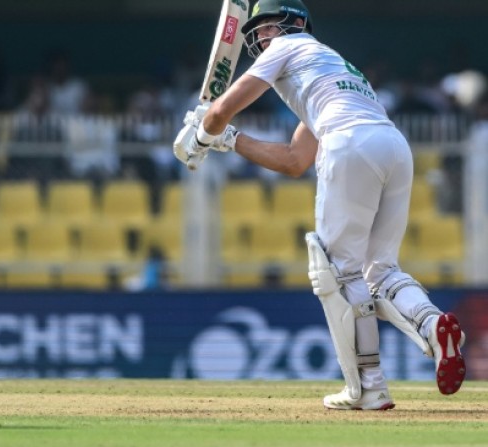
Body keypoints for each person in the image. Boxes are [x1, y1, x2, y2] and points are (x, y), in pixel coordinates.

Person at [173, 0, 465, 410]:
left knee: (336, 274)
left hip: (348, 143)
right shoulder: (330, 68)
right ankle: (434, 326)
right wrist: (229, 139)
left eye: (267, 26)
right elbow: (294, 161)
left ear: (293, 23)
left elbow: (223, 108)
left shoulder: (287, 46)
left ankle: (367, 387)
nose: (260, 37)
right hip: (393, 147)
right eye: (256, 31)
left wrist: (201, 135)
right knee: (380, 271)